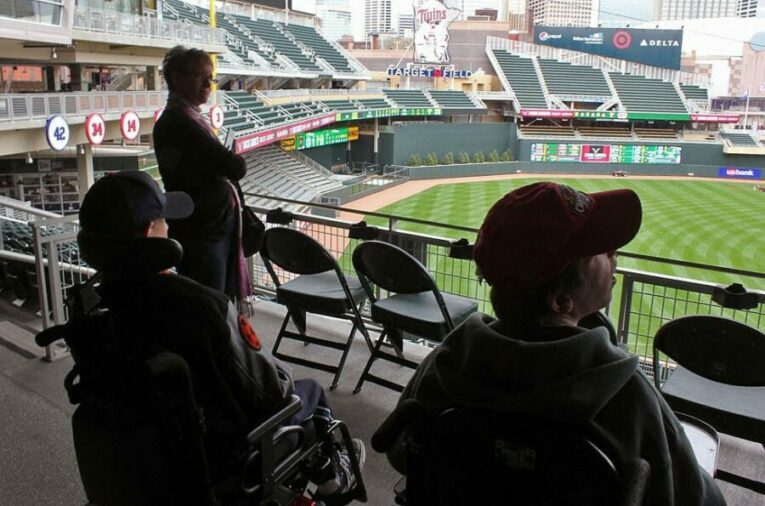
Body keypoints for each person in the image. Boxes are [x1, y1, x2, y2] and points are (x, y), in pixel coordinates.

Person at [374, 182, 725, 505]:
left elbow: (401, 455)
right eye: (599, 251)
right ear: (560, 300)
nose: (614, 253)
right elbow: (698, 499)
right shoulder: (627, 393)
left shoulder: (449, 360)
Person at [76, 171, 364, 501]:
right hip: (226, 460)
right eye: (163, 219)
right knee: (308, 392)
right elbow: (272, 393)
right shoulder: (203, 307)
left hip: (159, 466)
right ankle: (334, 478)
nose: (170, 225)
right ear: (150, 233)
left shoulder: (98, 315)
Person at [153, 45, 248, 301]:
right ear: (177, 78)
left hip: (202, 225)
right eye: (200, 76)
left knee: (211, 298)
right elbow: (235, 167)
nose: (208, 84)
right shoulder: (181, 123)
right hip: (203, 229)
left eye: (211, 77)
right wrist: (230, 159)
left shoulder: (183, 119)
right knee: (211, 301)